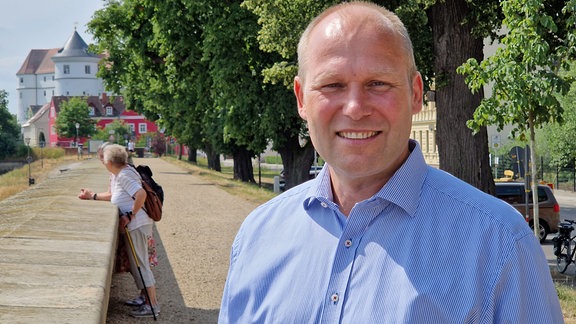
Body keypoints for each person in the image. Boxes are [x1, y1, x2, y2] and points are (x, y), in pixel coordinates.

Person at [218, 2, 563, 323]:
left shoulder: (499, 243)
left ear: (415, 94)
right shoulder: (256, 237)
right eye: (333, 84)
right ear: (301, 99)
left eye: (378, 83)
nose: (355, 107)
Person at [79, 143, 160, 318]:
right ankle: (145, 299)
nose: (101, 161)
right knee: (137, 263)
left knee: (141, 265)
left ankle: (152, 305)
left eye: (102, 158)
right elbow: (116, 195)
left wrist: (130, 215)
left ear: (109, 161)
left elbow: (141, 195)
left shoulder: (123, 175)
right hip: (136, 225)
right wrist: (92, 196)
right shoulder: (119, 173)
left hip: (137, 225)